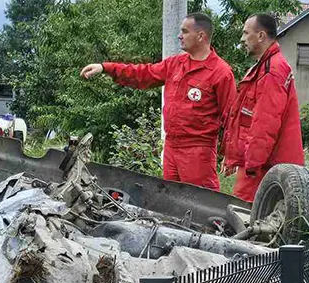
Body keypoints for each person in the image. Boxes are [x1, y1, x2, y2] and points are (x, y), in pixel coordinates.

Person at [80, 13, 236, 190]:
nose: (179, 36)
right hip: (171, 147)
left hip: (198, 151)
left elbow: (231, 116)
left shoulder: (220, 72)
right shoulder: (175, 64)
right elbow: (143, 74)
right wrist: (106, 68)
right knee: (169, 199)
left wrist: (231, 154)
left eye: (184, 32)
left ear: (201, 36)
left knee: (200, 202)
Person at [222, 13, 304, 202]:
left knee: (246, 218)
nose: (242, 39)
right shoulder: (264, 67)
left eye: (245, 33)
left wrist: (251, 166)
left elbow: (264, 123)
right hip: (261, 165)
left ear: (260, 35)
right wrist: (234, 158)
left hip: (263, 169)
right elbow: (243, 117)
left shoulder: (272, 70)